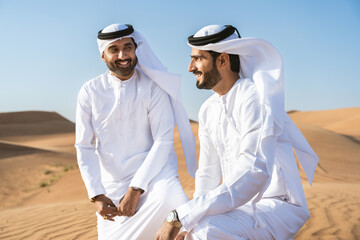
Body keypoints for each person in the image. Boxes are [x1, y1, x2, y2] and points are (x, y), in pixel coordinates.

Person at [156, 25, 318, 240]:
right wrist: (190, 220)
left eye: (198, 59)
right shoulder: (208, 109)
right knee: (193, 230)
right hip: (239, 205)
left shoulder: (255, 97)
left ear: (222, 60)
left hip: (276, 204)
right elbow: (208, 174)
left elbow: (254, 171)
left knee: (207, 230)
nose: (190, 67)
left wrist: (182, 215)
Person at [75, 23, 197, 240]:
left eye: (128, 47)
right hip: (113, 187)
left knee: (183, 214)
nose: (123, 55)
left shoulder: (153, 87)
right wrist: (96, 195)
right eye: (114, 49)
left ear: (135, 50)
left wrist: (136, 189)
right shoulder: (90, 91)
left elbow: (163, 139)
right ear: (103, 56)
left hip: (155, 177)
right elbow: (84, 145)